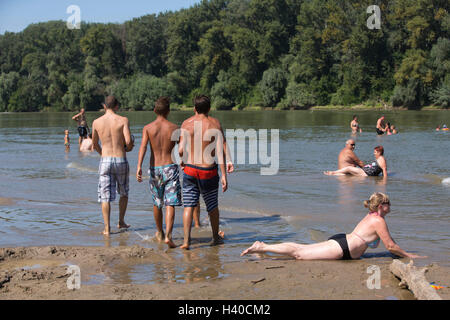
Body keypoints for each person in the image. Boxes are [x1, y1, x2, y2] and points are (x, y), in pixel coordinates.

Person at [241, 192, 426, 260]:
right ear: (380, 207)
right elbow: (391, 246)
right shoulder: (378, 220)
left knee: (301, 250)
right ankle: (262, 247)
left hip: (343, 242)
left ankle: (264, 249)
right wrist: (410, 256)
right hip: (343, 248)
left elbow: (378, 243)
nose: (390, 206)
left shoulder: (372, 217)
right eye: (388, 203)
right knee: (299, 253)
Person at [178, 95, 233, 250]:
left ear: (194, 108)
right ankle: (215, 238)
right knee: (212, 207)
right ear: (209, 108)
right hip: (208, 171)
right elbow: (221, 150)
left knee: (188, 205)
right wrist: (224, 175)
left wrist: (182, 161)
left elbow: (181, 150)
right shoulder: (214, 124)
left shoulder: (186, 124)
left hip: (190, 169)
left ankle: (186, 242)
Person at [136, 97, 182, 248]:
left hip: (155, 169)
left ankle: (160, 232)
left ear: (155, 110)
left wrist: (138, 166)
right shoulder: (175, 128)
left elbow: (143, 147)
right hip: (170, 167)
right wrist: (183, 163)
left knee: (157, 202)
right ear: (168, 111)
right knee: (171, 203)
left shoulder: (148, 128)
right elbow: (181, 151)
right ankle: (169, 235)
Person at [92, 96, 134, 236]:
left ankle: (107, 228)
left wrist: (102, 154)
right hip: (120, 159)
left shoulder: (96, 122)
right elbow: (128, 142)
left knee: (105, 197)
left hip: (105, 160)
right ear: (116, 106)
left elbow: (94, 144)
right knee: (124, 192)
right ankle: (121, 221)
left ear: (104, 106)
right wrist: (128, 148)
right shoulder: (123, 120)